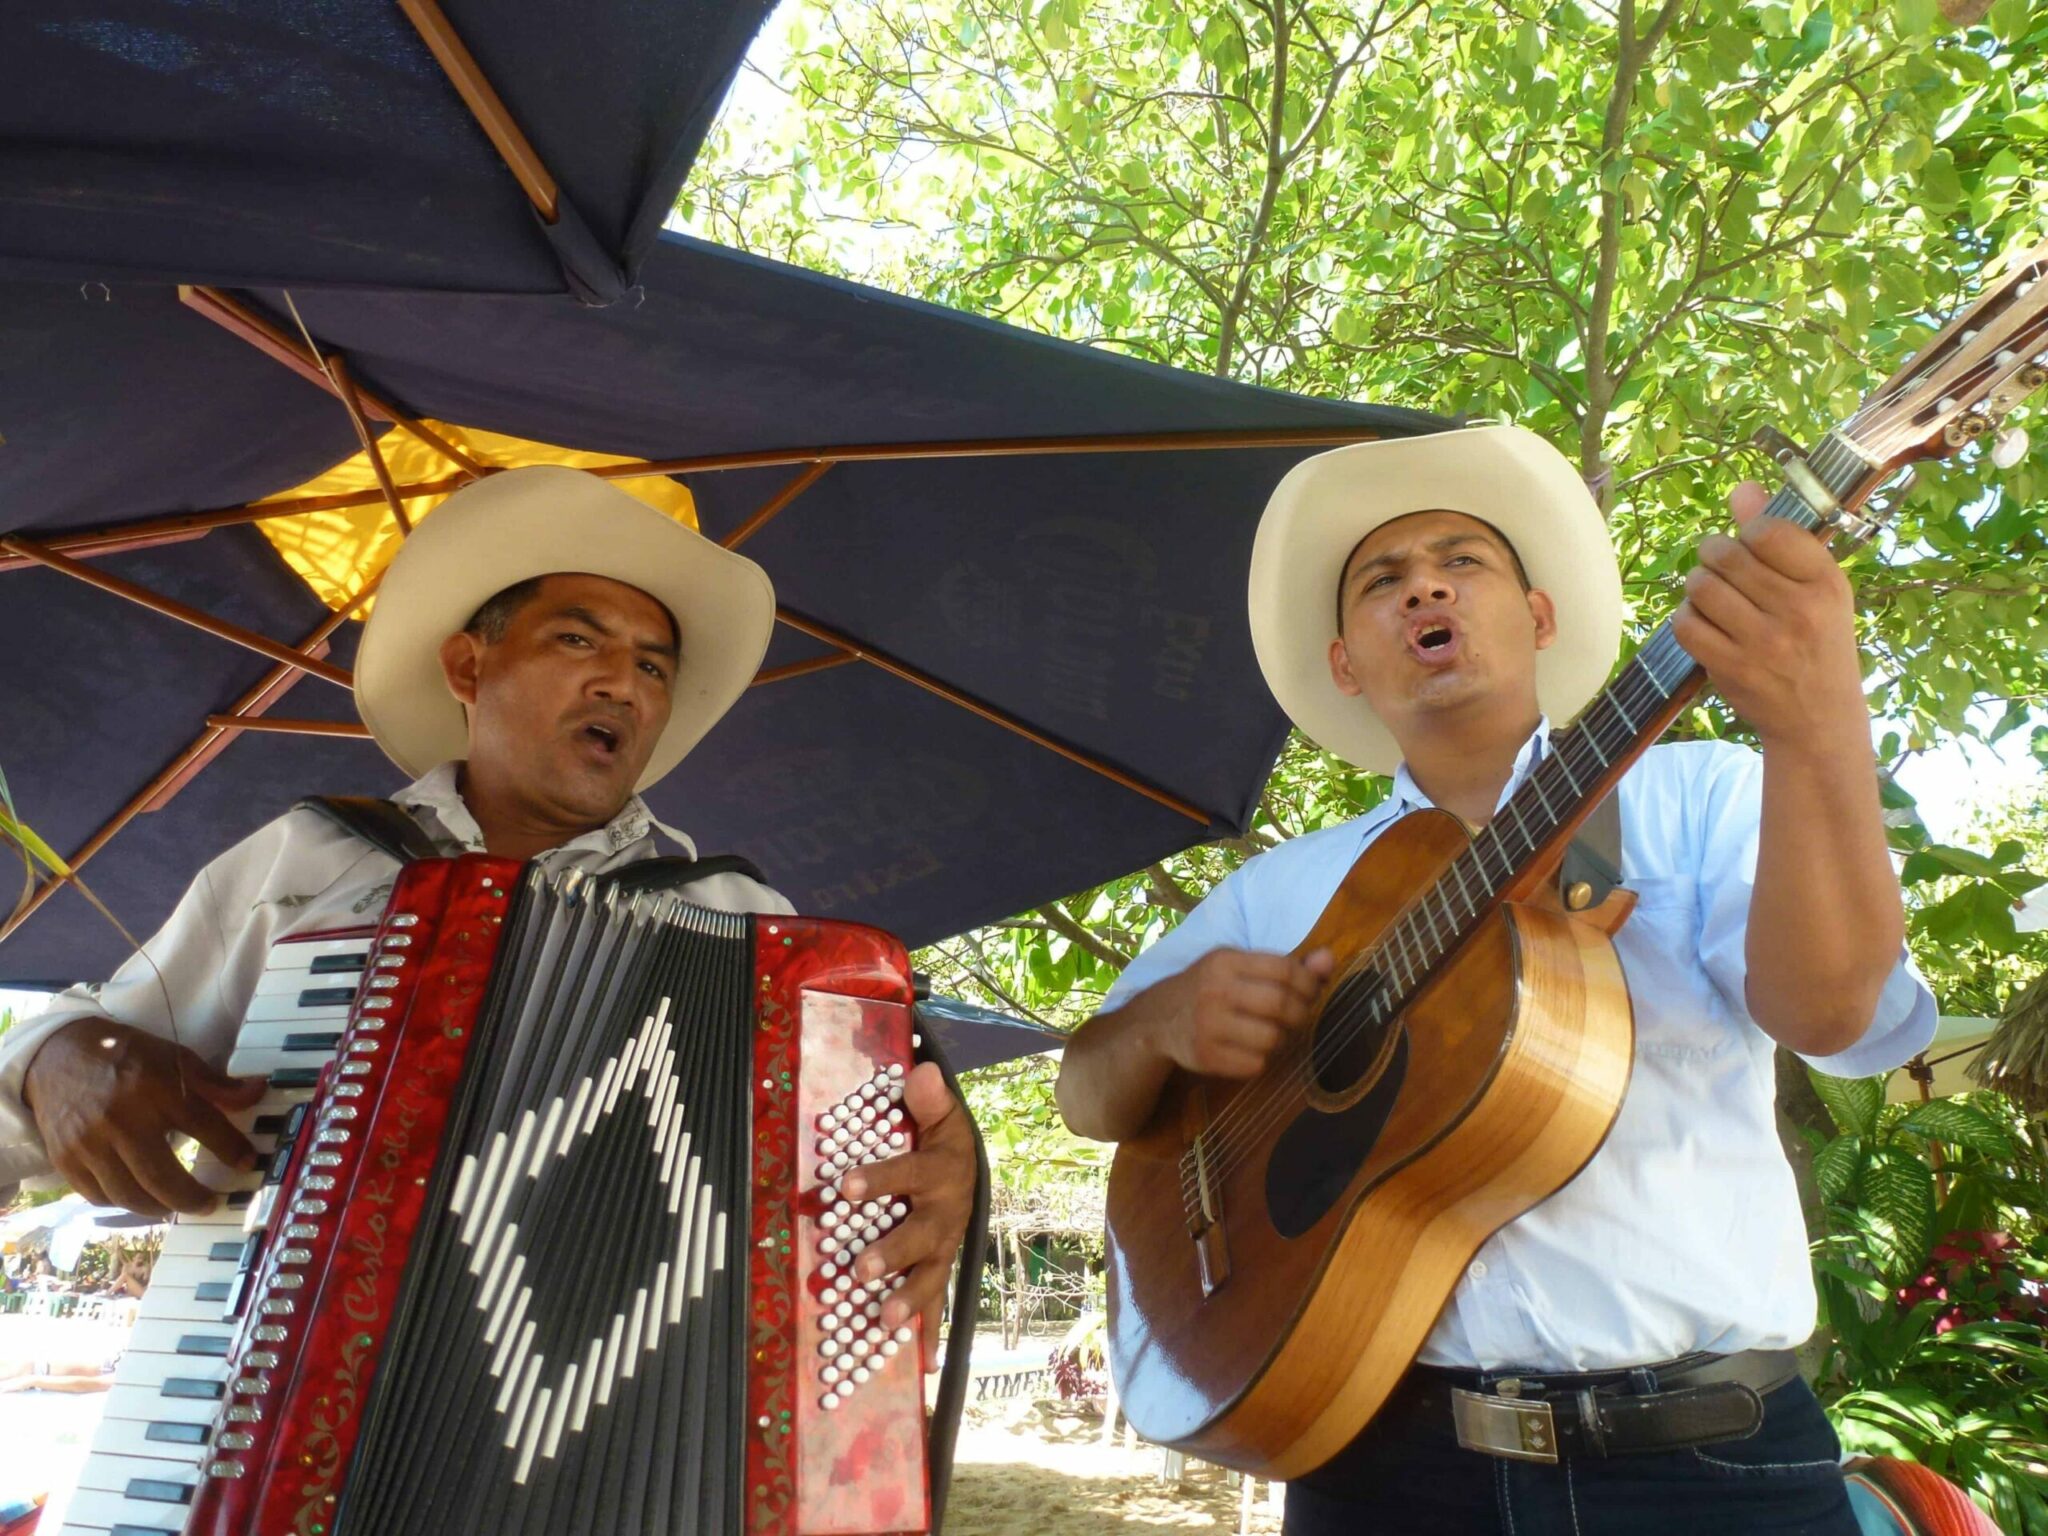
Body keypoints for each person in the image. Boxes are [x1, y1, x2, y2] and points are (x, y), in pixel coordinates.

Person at [1055, 426, 1935, 1535]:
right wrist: (1159, 1025)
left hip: (1703, 1470)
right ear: (1344, 663)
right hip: (1378, 1471)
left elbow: (1832, 1014)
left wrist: (1814, 726)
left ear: (1537, 619)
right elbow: (1085, 1092)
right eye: (1380, 579)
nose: (1423, 583)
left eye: (1462, 561)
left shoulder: (1699, 795)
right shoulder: (1282, 892)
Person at [0, 466, 974, 1353]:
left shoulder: (743, 919)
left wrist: (942, 1166)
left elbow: (868, 1178)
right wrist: (50, 1060)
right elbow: (41, 1105)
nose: (620, 683)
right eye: (578, 638)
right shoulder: (313, 861)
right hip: (266, 1380)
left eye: (652, 665)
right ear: (468, 669)